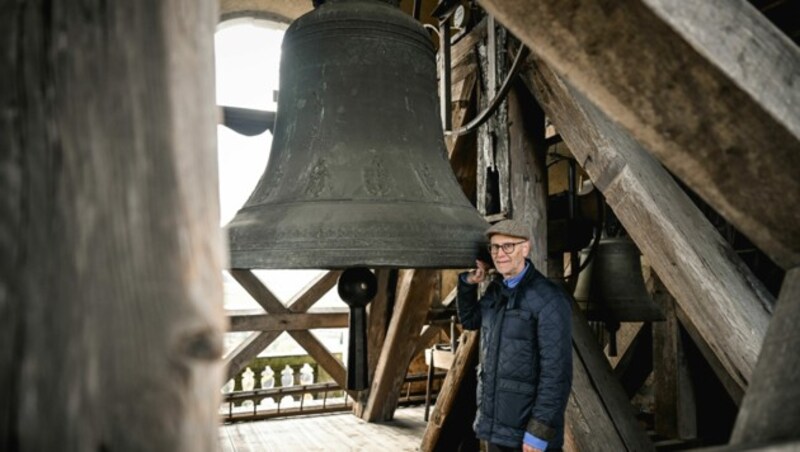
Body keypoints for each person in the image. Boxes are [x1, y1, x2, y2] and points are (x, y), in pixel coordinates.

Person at [457, 219, 572, 452]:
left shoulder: (549, 299)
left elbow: (557, 374)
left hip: (528, 435)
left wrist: (538, 432)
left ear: (525, 248)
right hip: (496, 427)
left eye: (508, 246)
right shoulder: (495, 291)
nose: (499, 254)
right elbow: (470, 320)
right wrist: (469, 283)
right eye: (494, 247)